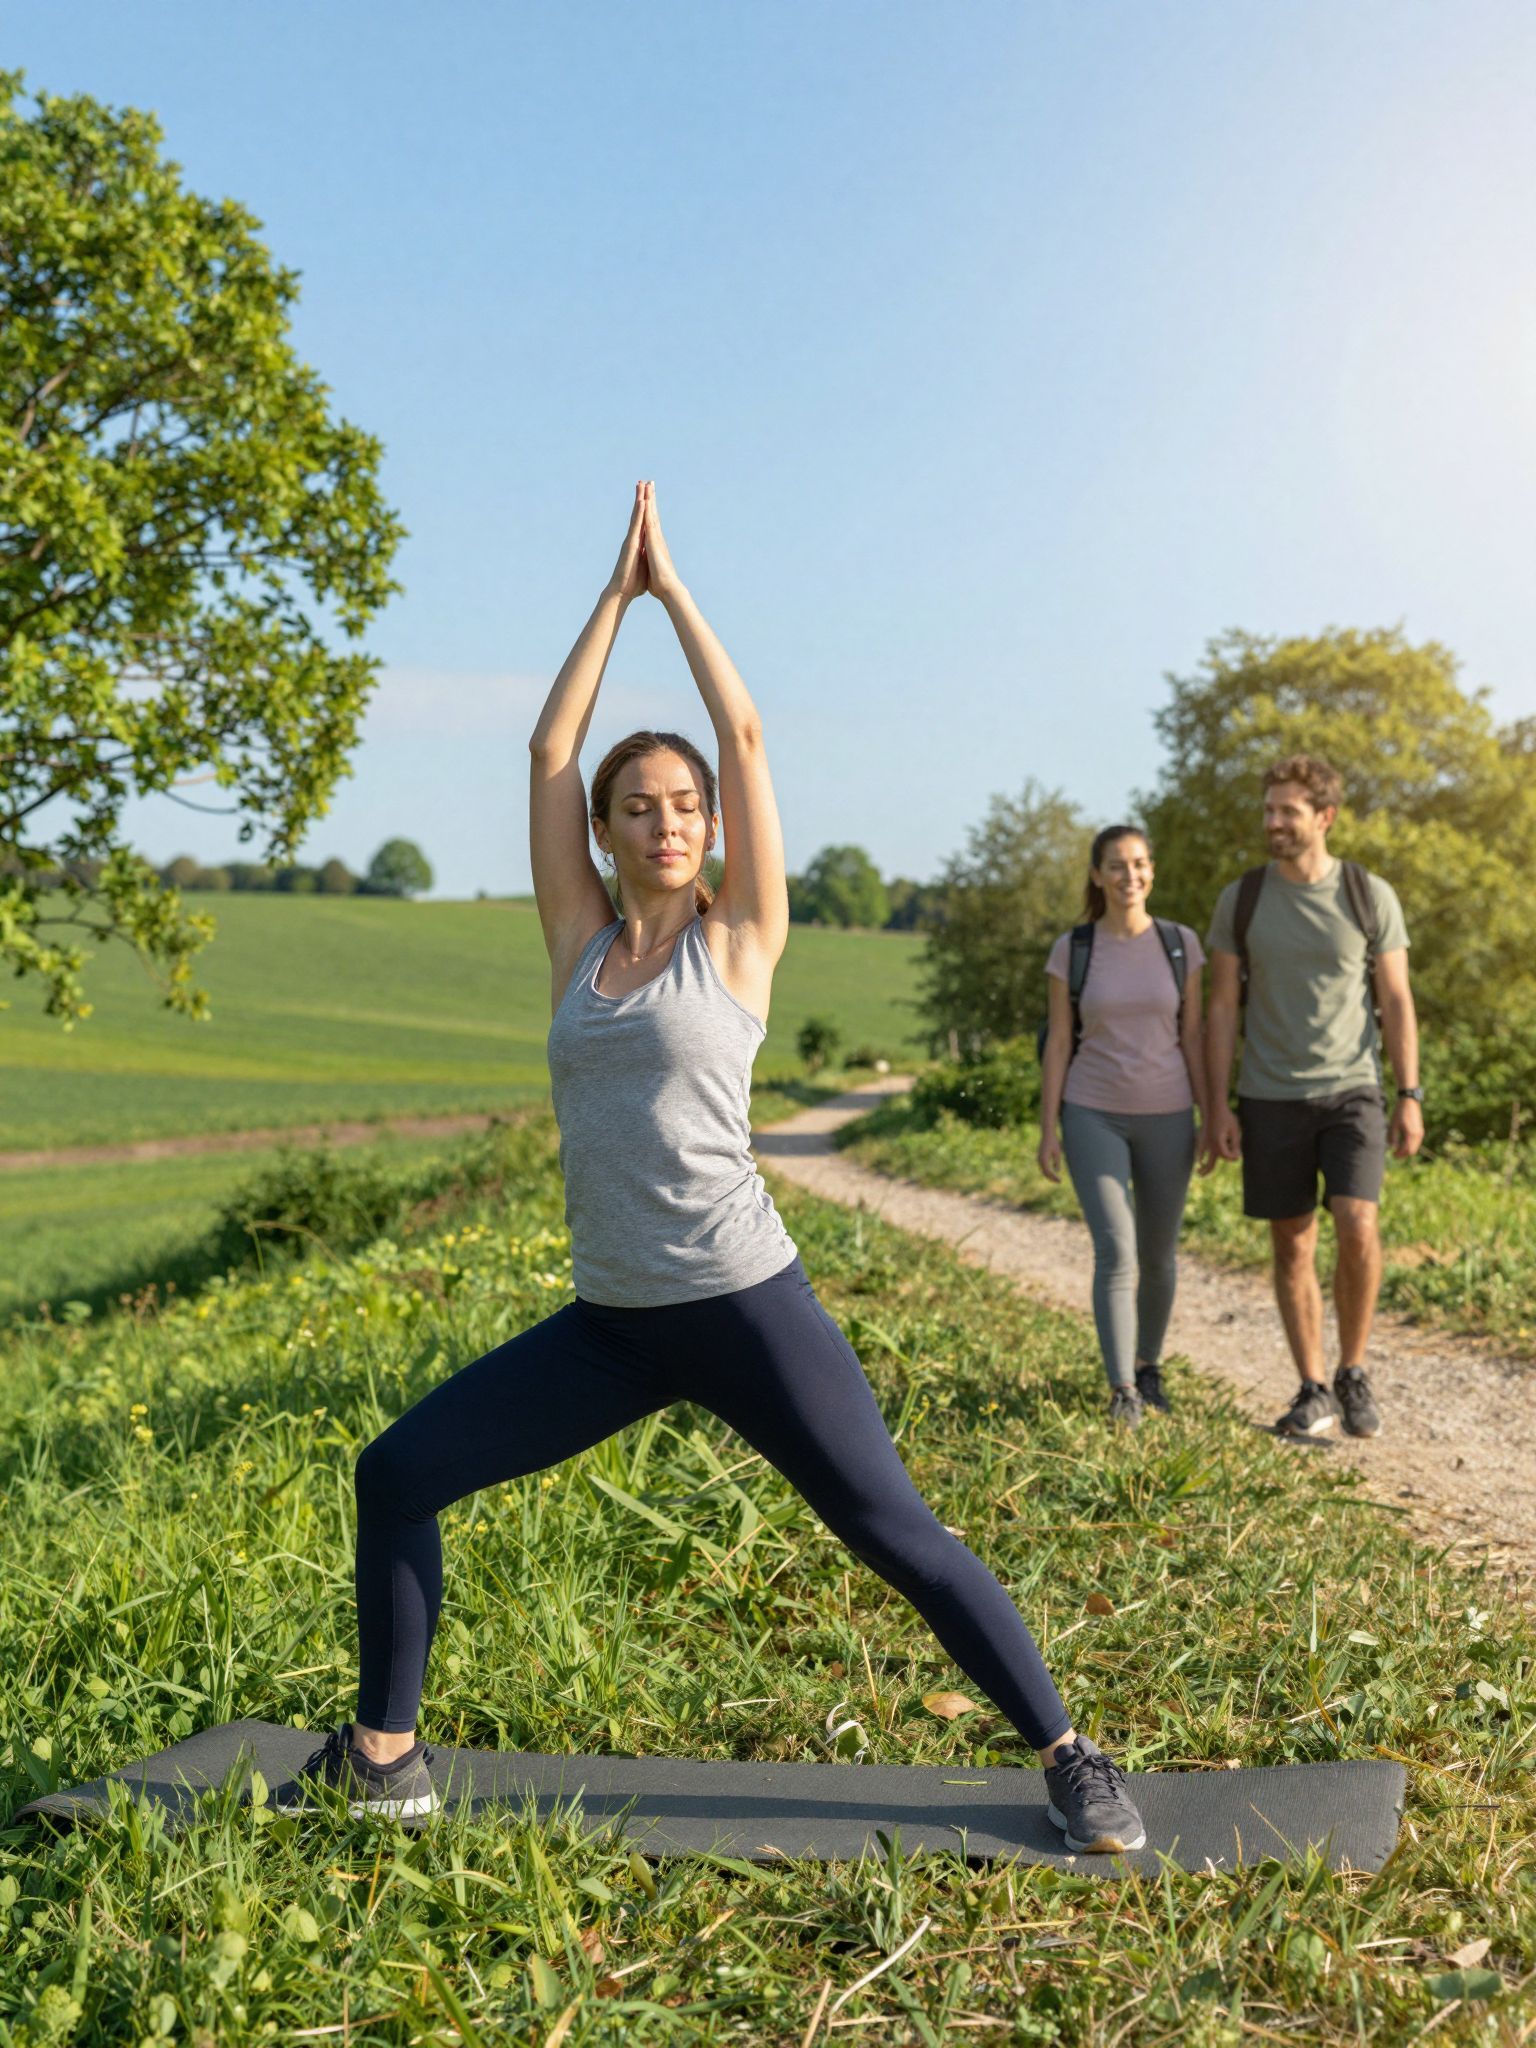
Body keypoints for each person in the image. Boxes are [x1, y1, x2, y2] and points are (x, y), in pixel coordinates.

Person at [276, 484, 1148, 1853]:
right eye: (639, 807)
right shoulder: (578, 945)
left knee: (893, 1530)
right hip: (611, 1325)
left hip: (745, 1303)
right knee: (396, 1472)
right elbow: (548, 747)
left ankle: (1070, 1752)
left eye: (684, 805)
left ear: (710, 826)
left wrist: (670, 594)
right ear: (608, 832)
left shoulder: (738, 938)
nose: (667, 821)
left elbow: (742, 735)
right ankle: (385, 1756)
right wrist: (604, 602)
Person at [1204, 755, 1422, 1440]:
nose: (1273, 822)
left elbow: (1395, 998)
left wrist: (1410, 1093)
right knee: (1292, 1243)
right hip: (1270, 1093)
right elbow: (1221, 1008)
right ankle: (1314, 1386)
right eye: (1268, 809)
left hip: (1353, 1087)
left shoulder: (1367, 894)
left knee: (1357, 1224)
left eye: (1287, 811)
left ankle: (1354, 1369)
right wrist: (1217, 1104)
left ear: (1324, 817)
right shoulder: (1242, 899)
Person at [1038, 827, 1209, 1429]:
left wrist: (1213, 1114)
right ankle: (1123, 1390)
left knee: (1159, 1254)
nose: (1128, 875)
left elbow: (1193, 1036)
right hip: (1092, 1112)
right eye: (1116, 865)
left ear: (1151, 870)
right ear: (1097, 875)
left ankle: (1148, 1366)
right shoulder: (1073, 949)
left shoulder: (1181, 945)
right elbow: (1060, 1041)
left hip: (1170, 1114)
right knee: (1117, 1249)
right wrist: (1048, 1126)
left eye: (1138, 864)